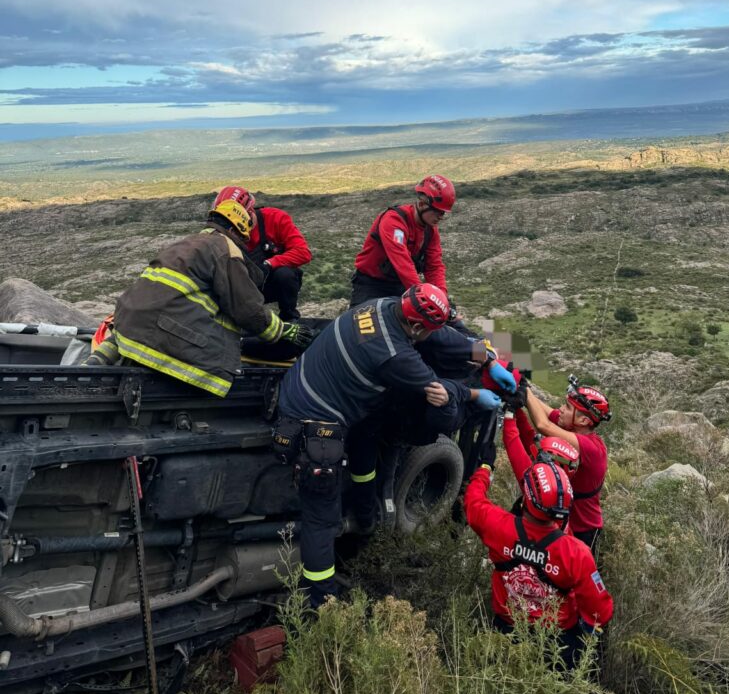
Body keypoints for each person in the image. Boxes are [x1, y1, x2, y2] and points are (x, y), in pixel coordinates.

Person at [274, 282, 514, 607]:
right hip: (314, 423)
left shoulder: (385, 305)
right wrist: (475, 394)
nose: (429, 334)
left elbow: (441, 336)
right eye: (425, 329)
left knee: (364, 452)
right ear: (415, 326)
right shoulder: (394, 355)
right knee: (322, 520)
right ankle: (321, 604)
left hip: (299, 388)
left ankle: (365, 521)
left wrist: (485, 356)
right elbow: (439, 393)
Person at [87, 191, 313, 395]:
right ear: (236, 230)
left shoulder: (185, 244)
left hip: (129, 325)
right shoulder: (227, 250)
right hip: (165, 338)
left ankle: (92, 367)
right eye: (243, 238)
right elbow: (248, 310)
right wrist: (282, 331)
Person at [464, 440, 613, 669]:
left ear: (526, 498)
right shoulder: (576, 553)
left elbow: (474, 501)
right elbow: (599, 611)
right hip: (557, 645)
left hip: (505, 632)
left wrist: (485, 468)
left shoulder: (497, 526)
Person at [522, 376, 611, 558]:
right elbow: (546, 412)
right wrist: (520, 388)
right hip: (562, 523)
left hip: (583, 531)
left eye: (568, 407)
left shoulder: (591, 448)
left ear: (584, 421)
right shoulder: (571, 427)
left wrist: (525, 391)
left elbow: (543, 425)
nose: (561, 409)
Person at [350, 175, 456, 308]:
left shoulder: (430, 231)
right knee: (359, 326)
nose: (440, 217)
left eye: (443, 213)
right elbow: (402, 262)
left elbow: (434, 266)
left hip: (400, 285)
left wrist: (442, 299)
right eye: (438, 212)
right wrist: (423, 297)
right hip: (371, 284)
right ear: (422, 204)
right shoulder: (394, 221)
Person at [213, 186, 312, 321]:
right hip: (243, 287)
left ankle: (289, 318)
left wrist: (270, 263)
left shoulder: (275, 218)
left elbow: (303, 252)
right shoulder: (224, 233)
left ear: (249, 212)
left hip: (272, 283)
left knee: (286, 275)